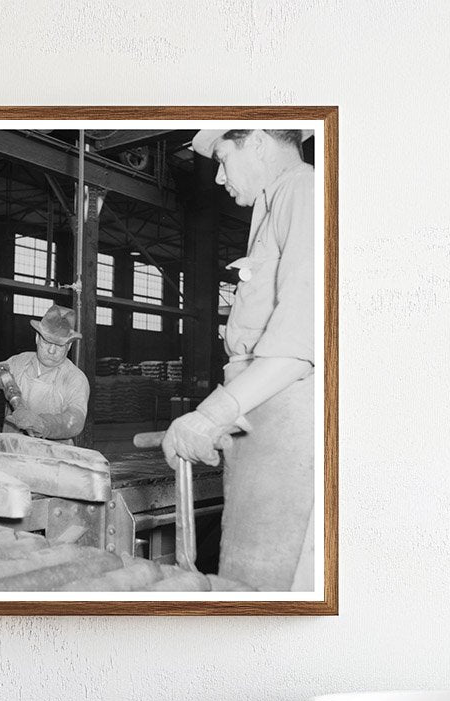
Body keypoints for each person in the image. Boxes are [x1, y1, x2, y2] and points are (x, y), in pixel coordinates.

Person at [161, 127, 315, 591]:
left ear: (259, 141)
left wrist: (210, 416)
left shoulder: (303, 191)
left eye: (224, 158)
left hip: (292, 415)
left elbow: (299, 343)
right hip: (267, 412)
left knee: (270, 586)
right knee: (246, 578)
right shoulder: (273, 204)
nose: (219, 177)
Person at [0, 304, 89, 443]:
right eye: (47, 342)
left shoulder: (75, 378)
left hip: (54, 457)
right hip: (13, 451)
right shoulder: (18, 363)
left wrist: (42, 424)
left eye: (59, 345)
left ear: (69, 346)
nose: (51, 351)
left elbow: (76, 421)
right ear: (37, 338)